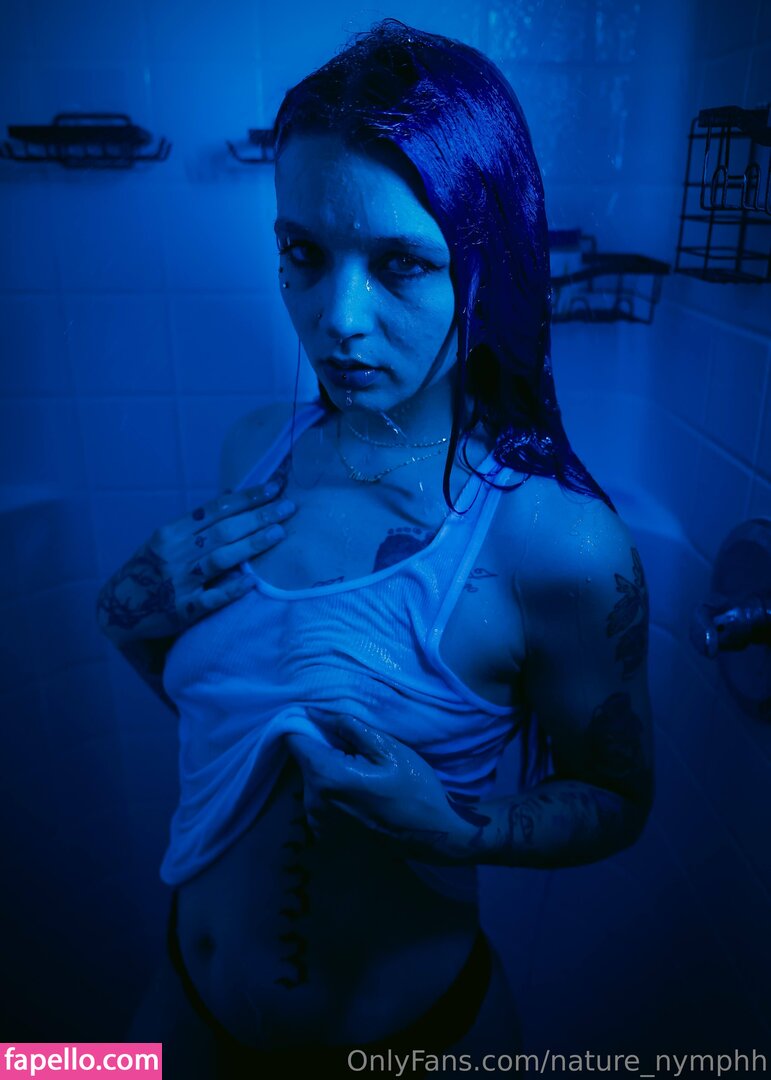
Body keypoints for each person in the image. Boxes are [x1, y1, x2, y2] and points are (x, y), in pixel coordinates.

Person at [97, 18, 654, 1078]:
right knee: (27, 1065)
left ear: (485, 265)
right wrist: (127, 613)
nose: (337, 319)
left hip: (417, 1047)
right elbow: (238, 714)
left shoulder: (554, 541)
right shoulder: (255, 450)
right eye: (303, 254)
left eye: (399, 263)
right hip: (176, 1019)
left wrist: (454, 826)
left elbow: (620, 797)